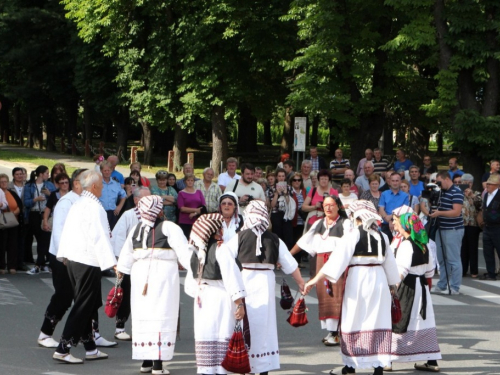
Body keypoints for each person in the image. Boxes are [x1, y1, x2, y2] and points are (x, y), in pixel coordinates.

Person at [303, 200, 399, 375]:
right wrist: (392, 285)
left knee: (353, 319)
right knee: (377, 320)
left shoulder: (352, 235)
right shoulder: (383, 236)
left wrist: (314, 280)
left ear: (356, 216)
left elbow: (335, 262)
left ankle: (350, 366)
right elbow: (391, 267)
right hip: (378, 281)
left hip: (358, 279)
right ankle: (378, 366)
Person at [220, 200, 305, 375]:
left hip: (245, 281)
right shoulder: (274, 238)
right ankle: (263, 367)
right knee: (264, 325)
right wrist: (301, 283)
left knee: (246, 321)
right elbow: (290, 264)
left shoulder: (240, 236)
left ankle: (247, 363)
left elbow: (225, 256)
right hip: (265, 282)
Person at [116, 195, 193, 375]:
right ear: (159, 210)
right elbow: (184, 252)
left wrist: (120, 279)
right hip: (163, 275)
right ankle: (158, 365)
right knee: (162, 315)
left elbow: (125, 260)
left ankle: (146, 362)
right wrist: (197, 270)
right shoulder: (168, 227)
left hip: (139, 275)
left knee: (144, 315)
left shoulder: (136, 229)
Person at [52, 170, 117, 363]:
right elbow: (100, 236)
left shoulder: (79, 203)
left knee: (88, 303)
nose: (103, 188)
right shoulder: (92, 206)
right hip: (86, 260)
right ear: (95, 186)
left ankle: (90, 347)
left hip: (75, 258)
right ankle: (63, 348)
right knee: (83, 304)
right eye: (102, 185)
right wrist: (112, 262)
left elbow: (68, 231)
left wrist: (63, 254)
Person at [186, 213, 246, 375]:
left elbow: (190, 283)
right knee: (221, 333)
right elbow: (231, 277)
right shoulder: (221, 248)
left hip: (202, 298)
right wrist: (239, 303)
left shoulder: (196, 250)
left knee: (205, 334)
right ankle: (220, 370)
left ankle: (206, 370)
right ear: (217, 230)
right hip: (220, 297)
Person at [290, 195, 351, 347]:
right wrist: (288, 255)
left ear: (338, 206)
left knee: (336, 296)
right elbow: (303, 241)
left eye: (331, 205)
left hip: (338, 263)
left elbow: (350, 245)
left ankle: (338, 332)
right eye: (325, 205)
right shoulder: (318, 223)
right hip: (320, 261)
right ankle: (331, 331)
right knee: (324, 296)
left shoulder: (346, 223)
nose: (328, 208)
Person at [390, 213, 441, 372]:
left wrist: (393, 288)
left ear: (406, 226)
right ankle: (431, 361)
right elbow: (430, 272)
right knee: (424, 322)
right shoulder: (423, 245)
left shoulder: (406, 245)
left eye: (397, 222)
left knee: (399, 320)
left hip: (409, 287)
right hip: (422, 287)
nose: (394, 224)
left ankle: (388, 361)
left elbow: (401, 271)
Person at [111, 186, 151, 341]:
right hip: (130, 263)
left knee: (146, 295)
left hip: (148, 263)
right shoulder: (128, 215)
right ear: (136, 200)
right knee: (126, 295)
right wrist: (118, 263)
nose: (150, 202)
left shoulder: (155, 217)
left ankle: (144, 327)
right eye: (145, 199)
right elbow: (118, 238)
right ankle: (120, 327)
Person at [429, 171, 464, 293]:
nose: (438, 185)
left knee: (453, 259)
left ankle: (455, 286)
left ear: (446, 179)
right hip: (441, 228)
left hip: (453, 229)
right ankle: (442, 284)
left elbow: (456, 212)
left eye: (439, 182)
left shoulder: (456, 192)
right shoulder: (441, 193)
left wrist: (439, 213)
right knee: (441, 258)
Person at [24, 166, 56, 275]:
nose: (48, 175)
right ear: (41, 174)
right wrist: (35, 199)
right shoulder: (29, 186)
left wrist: (49, 195)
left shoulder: (49, 185)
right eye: (46, 173)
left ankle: (39, 263)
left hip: (45, 213)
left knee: (44, 239)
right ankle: (42, 263)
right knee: (39, 238)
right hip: (34, 213)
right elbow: (26, 202)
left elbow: (55, 199)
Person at [460, 174, 482, 278]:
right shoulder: (459, 194)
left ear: (472, 184)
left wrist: (471, 196)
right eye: (464, 183)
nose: (466, 185)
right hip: (462, 223)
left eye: (468, 183)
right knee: (463, 248)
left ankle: (474, 270)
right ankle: (463, 270)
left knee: (473, 248)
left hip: (473, 224)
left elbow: (480, 204)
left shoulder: (477, 194)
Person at [479, 174, 500, 281]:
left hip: (497, 227)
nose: (487, 185)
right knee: (487, 251)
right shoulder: (486, 195)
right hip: (487, 227)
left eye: (490, 184)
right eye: (487, 183)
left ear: (496, 185)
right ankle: (491, 273)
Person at [0, 173, 22, 274]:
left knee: (13, 244)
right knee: (2, 244)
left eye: (5, 181)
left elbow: (19, 204)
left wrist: (17, 211)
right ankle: (2, 266)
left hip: (13, 221)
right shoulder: (0, 193)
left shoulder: (12, 193)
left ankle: (12, 266)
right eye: (2, 182)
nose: (4, 183)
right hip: (2, 222)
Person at [378, 172, 409, 242]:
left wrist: (392, 218)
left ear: (400, 181)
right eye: (393, 181)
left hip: (400, 226)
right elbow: (381, 209)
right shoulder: (384, 194)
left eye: (397, 181)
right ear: (389, 181)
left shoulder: (405, 196)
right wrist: (389, 221)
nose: (395, 183)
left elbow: (403, 211)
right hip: (386, 225)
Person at [269, 168, 295, 250]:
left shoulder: (289, 188)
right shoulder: (272, 189)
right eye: (279, 176)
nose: (281, 178)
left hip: (286, 214)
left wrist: (286, 193)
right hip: (276, 214)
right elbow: (272, 205)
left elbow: (289, 203)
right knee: (277, 236)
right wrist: (276, 193)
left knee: (288, 237)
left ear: (285, 177)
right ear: (276, 177)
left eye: (283, 176)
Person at [177, 173, 207, 238]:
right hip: (185, 221)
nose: (190, 182)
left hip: (197, 221)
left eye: (191, 180)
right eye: (188, 180)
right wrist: (196, 210)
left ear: (194, 181)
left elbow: (203, 206)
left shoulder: (199, 192)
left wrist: (195, 213)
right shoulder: (181, 193)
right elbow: (181, 208)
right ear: (185, 182)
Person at [99, 161, 127, 230]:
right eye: (105, 170)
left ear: (111, 170)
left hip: (113, 213)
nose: (107, 172)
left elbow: (123, 195)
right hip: (101, 212)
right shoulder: (98, 183)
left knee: (113, 233)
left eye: (108, 170)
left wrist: (119, 207)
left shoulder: (116, 183)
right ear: (101, 171)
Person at [290, 172, 307, 253]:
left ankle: (299, 260)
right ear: (291, 181)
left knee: (301, 240)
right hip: (293, 220)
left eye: (299, 180)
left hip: (303, 220)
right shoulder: (289, 191)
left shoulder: (304, 191)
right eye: (294, 180)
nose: (297, 182)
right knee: (292, 241)